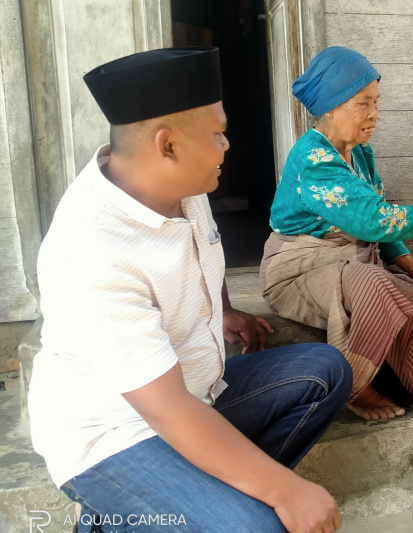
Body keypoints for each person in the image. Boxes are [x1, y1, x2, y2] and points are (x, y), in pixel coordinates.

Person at [28, 47, 351, 533]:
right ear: (168, 145)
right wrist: (286, 491)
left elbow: (203, 251)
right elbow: (167, 409)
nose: (227, 145)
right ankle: (127, 511)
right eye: (217, 133)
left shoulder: (182, 187)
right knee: (258, 527)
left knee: (324, 371)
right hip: (117, 431)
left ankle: (204, 498)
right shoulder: (91, 248)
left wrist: (222, 309)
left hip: (197, 393)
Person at [262, 46, 413, 421]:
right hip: (298, 272)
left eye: (376, 102)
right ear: (331, 107)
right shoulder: (313, 159)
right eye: (363, 104)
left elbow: (379, 218)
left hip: (354, 265)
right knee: (371, 282)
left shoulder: (361, 153)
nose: (374, 114)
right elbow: (374, 221)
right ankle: (355, 386)